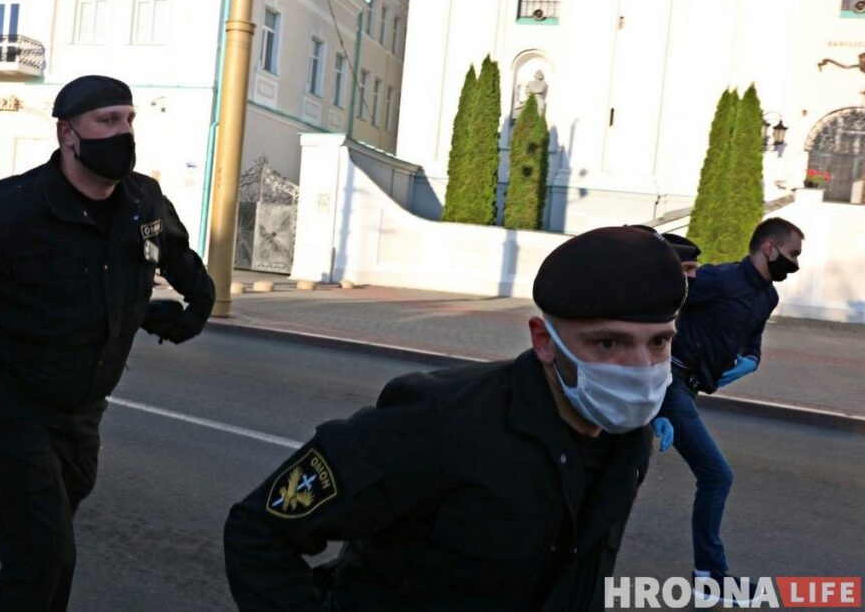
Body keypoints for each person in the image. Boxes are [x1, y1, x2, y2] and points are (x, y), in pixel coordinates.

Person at [0, 75, 216, 612]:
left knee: (26, 528)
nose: (124, 132)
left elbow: (170, 249)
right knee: (45, 558)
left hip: (81, 407)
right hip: (5, 403)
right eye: (107, 120)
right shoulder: (10, 211)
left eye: (129, 119)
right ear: (67, 133)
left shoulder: (140, 199)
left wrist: (196, 305)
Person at [224, 226, 687, 611]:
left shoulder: (629, 441)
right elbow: (259, 532)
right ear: (545, 341)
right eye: (608, 343)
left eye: (659, 342)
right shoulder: (441, 421)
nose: (641, 368)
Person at [658, 217, 804, 606]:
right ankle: (709, 576)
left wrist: (752, 359)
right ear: (769, 248)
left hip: (690, 389)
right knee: (716, 475)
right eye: (792, 254)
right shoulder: (719, 280)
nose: (795, 264)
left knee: (623, 466)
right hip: (670, 382)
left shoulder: (768, 297)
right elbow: (661, 300)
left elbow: (752, 338)